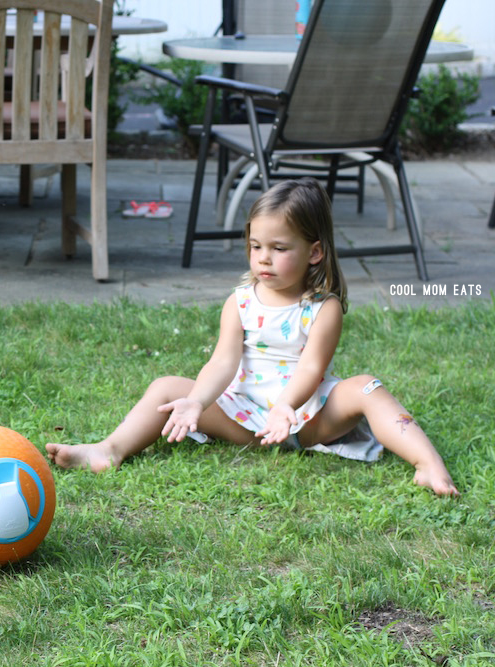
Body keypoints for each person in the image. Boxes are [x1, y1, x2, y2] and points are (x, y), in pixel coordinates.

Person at [46, 179, 458, 497]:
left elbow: (312, 368)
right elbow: (223, 362)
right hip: (244, 417)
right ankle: (109, 449)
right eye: (256, 245)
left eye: (279, 248)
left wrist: (285, 407)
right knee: (167, 387)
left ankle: (428, 463)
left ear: (314, 252)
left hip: (306, 418)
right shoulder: (240, 302)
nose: (263, 257)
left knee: (368, 387)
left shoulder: (323, 307)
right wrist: (197, 401)